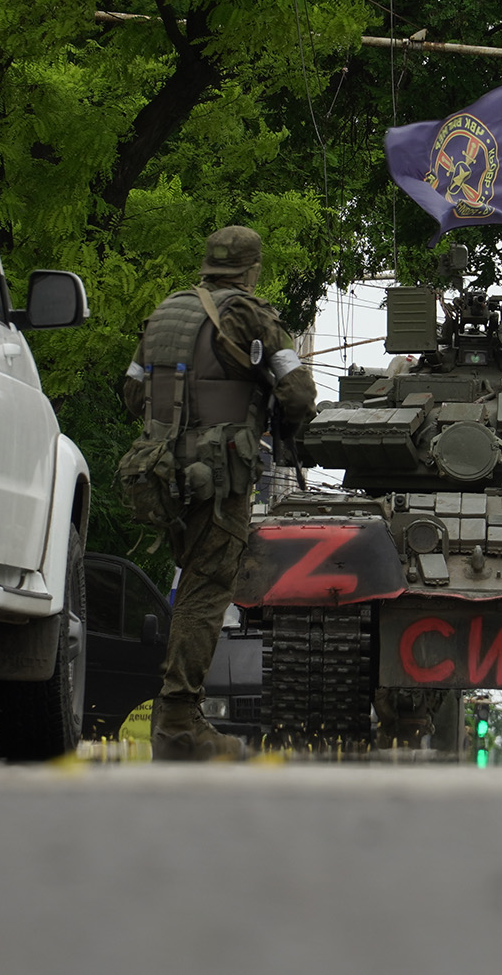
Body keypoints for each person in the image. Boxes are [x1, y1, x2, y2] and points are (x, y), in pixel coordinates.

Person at [121, 226, 316, 760]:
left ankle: (176, 717)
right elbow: (299, 392)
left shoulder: (165, 314)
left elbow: (132, 390)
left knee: (186, 585)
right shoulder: (251, 315)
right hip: (220, 473)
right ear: (252, 269)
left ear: (206, 264)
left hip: (159, 472)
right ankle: (180, 722)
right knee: (208, 589)